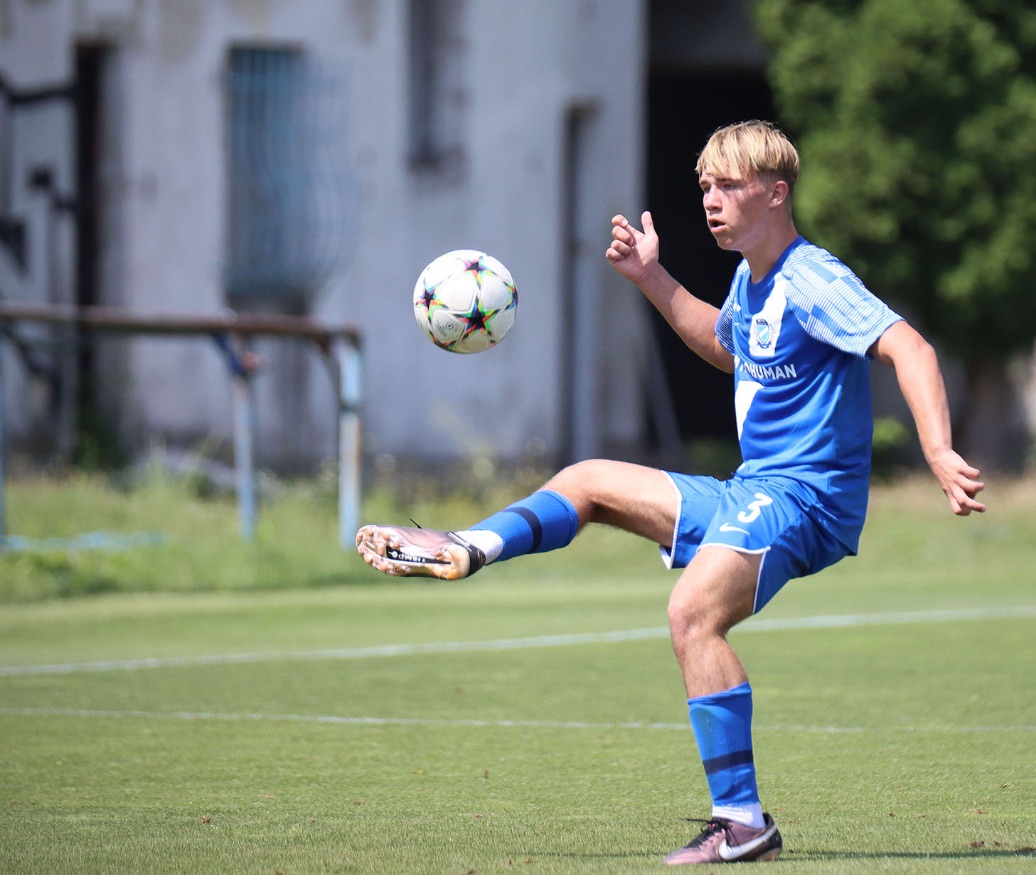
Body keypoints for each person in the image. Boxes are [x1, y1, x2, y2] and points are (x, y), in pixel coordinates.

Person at [356, 120, 986, 865]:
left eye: (728, 186)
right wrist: (652, 278)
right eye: (705, 187)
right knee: (588, 480)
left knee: (692, 613)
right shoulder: (753, 279)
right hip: (754, 489)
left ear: (776, 193)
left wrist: (937, 449)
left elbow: (909, 346)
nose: (711, 200)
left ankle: (742, 822)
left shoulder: (812, 277)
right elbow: (727, 347)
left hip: (805, 498)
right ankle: (471, 545)